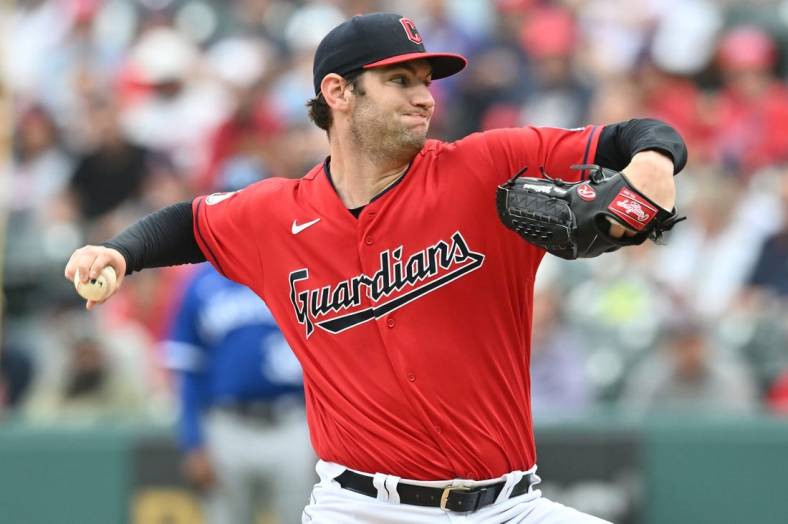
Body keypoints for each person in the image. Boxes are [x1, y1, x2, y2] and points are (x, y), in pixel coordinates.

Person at [65, 12, 686, 523]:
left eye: (426, 81)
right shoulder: (276, 214)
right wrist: (118, 251)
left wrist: (655, 160)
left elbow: (634, 134)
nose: (424, 96)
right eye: (401, 80)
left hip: (510, 507)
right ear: (338, 92)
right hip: (360, 508)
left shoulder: (486, 164)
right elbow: (188, 223)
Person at [165, 263, 312, 524]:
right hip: (228, 426)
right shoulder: (201, 282)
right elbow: (188, 372)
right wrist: (194, 442)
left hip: (294, 421)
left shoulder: (298, 267)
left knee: (304, 518)